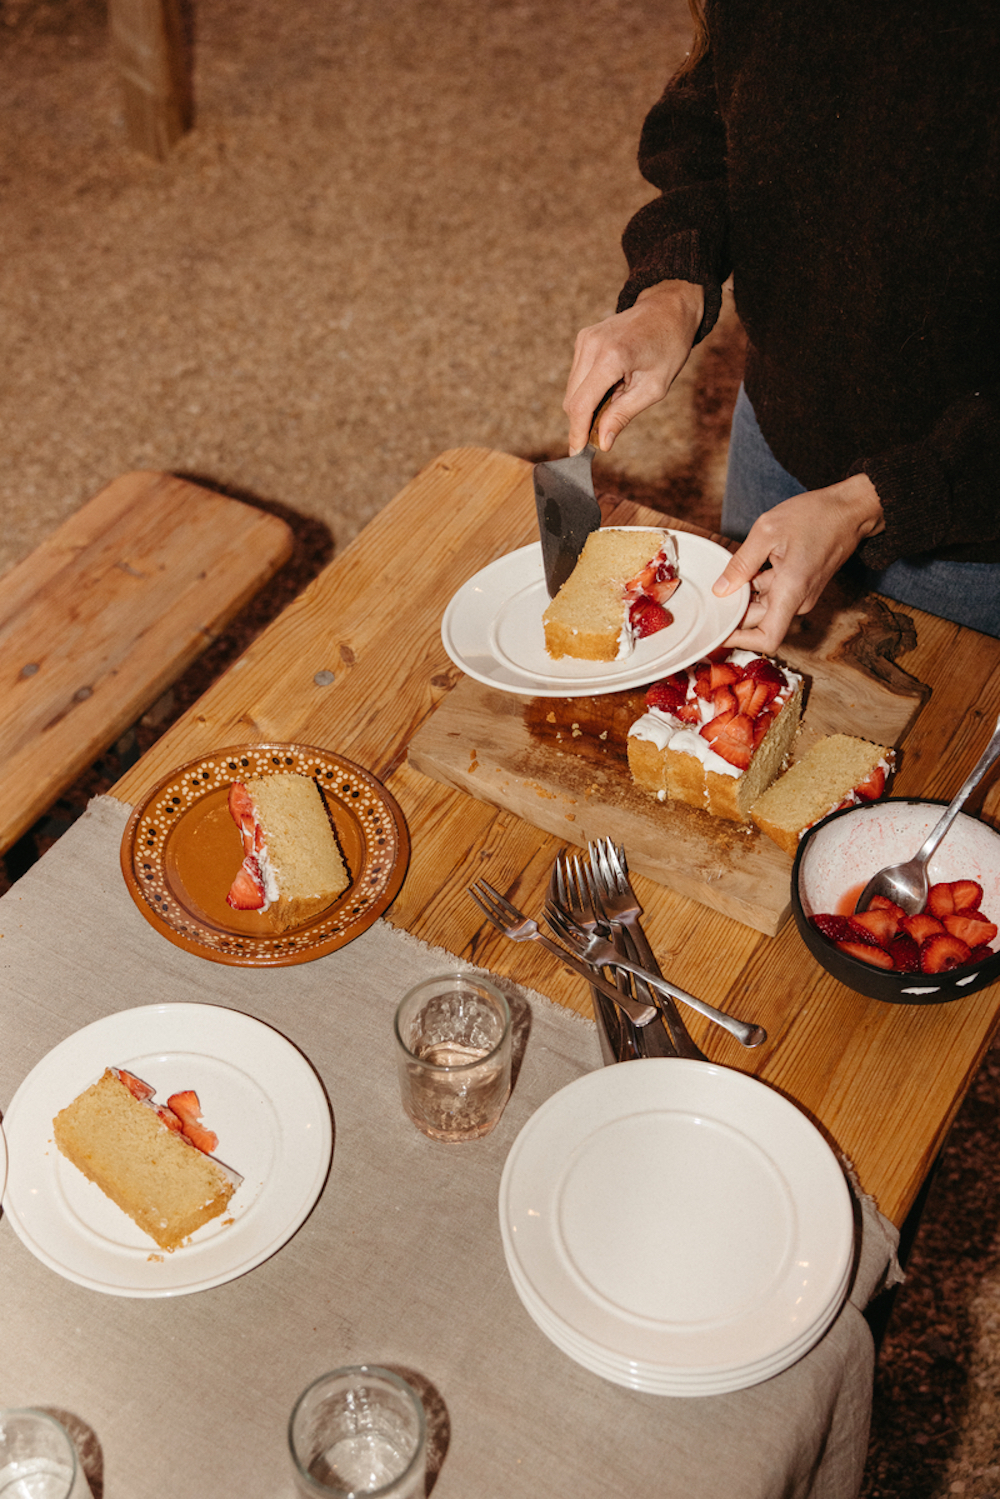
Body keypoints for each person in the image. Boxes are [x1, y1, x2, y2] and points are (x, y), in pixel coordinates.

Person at [563, 0, 1000, 651]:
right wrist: (673, 286)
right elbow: (717, 111)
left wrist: (878, 500)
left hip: (967, 529)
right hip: (778, 438)